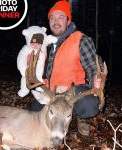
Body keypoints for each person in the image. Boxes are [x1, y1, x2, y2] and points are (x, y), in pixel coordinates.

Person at [31, 0, 103, 136]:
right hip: (53, 93)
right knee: (34, 111)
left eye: (61, 17)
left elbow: (93, 67)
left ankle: (81, 117)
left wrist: (96, 80)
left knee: (89, 106)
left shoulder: (81, 39)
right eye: (52, 18)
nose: (56, 22)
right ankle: (54, 119)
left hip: (74, 92)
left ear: (68, 21)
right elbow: (45, 74)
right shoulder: (47, 44)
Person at [17, 26, 57, 97]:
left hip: (40, 71)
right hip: (29, 70)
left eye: (38, 44)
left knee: (40, 79)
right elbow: (20, 58)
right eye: (33, 44)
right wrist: (24, 70)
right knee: (25, 79)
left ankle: (40, 89)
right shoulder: (27, 49)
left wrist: (52, 39)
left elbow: (47, 39)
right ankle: (24, 90)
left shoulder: (44, 47)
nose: (35, 46)